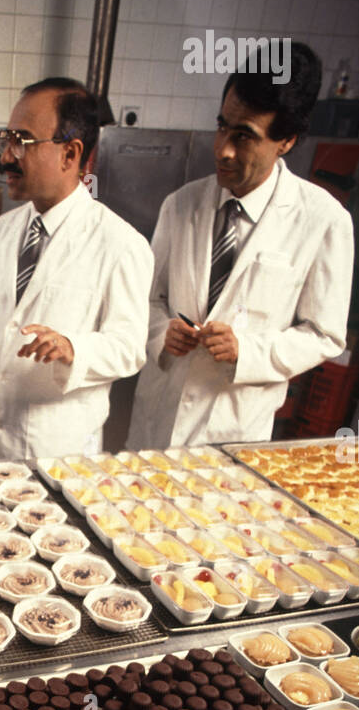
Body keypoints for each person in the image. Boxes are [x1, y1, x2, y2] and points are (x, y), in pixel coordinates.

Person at [127, 41, 354, 450]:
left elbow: (324, 334)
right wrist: (163, 331)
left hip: (233, 429)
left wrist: (247, 351)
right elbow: (145, 299)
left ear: (287, 140)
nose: (223, 149)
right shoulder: (181, 204)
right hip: (158, 419)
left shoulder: (324, 221)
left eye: (244, 136)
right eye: (221, 127)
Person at [0, 77, 152, 463]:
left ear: (70, 154)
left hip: (56, 449)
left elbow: (129, 347)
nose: (6, 156)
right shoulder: (0, 233)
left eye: (21, 142)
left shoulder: (121, 243)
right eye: (6, 139)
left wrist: (75, 347)